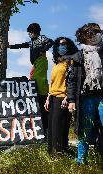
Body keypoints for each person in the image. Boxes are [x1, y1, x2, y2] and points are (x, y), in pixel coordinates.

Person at [8, 23, 54, 137]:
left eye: (31, 32)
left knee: (38, 79)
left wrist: (43, 49)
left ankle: (42, 93)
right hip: (35, 63)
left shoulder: (41, 38)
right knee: (32, 78)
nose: (29, 34)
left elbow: (51, 42)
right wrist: (10, 46)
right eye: (29, 32)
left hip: (41, 61)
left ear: (35, 32)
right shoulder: (31, 42)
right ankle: (37, 92)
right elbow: (23, 45)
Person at [66, 23, 103, 164]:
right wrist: (71, 100)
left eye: (96, 33)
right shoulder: (78, 56)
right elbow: (72, 80)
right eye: (90, 34)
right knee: (85, 129)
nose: (94, 36)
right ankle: (81, 160)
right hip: (86, 97)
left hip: (101, 95)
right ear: (84, 37)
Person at [44, 37, 79, 154]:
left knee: (59, 127)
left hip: (63, 98)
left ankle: (60, 153)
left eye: (64, 44)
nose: (61, 46)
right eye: (59, 44)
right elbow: (53, 82)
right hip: (53, 98)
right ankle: (52, 153)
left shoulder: (71, 61)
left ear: (69, 46)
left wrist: (67, 97)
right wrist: (48, 97)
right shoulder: (57, 62)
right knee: (52, 128)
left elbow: (72, 81)